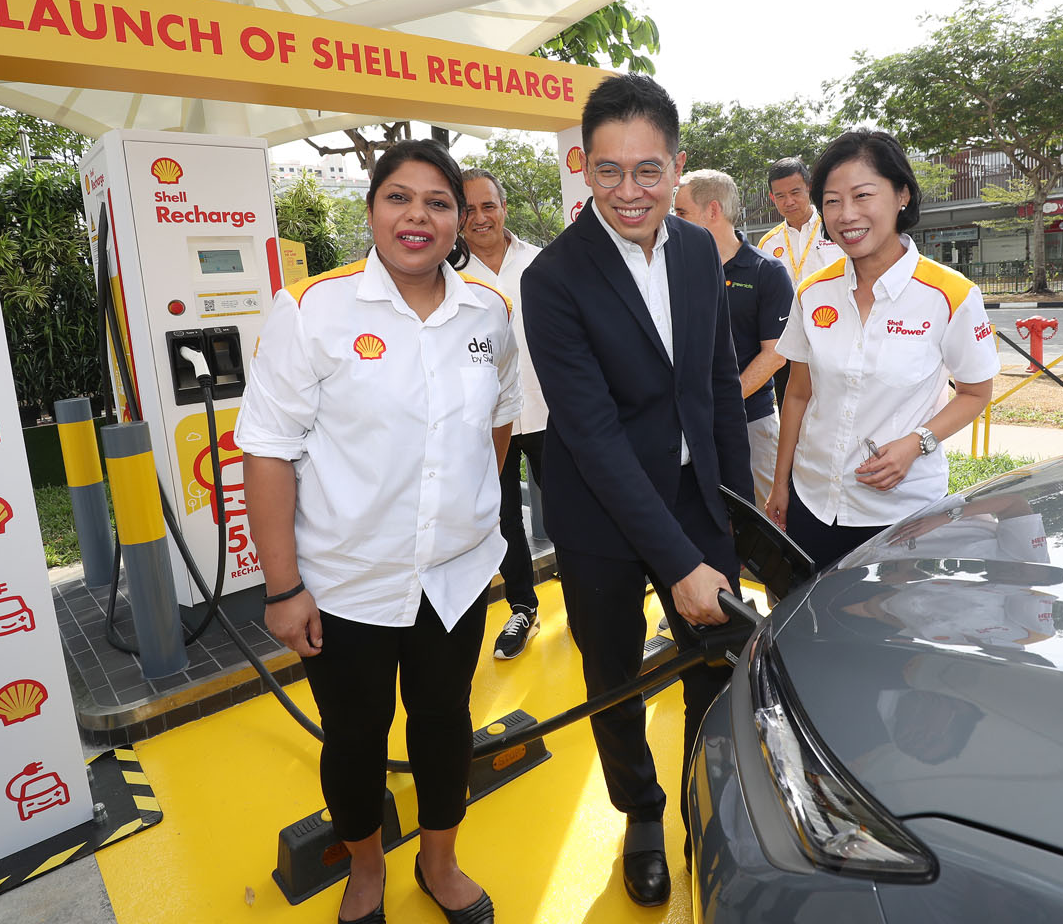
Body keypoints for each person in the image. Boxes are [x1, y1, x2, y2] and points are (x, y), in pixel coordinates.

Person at [236, 139, 519, 924]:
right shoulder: (312, 309)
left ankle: (439, 861)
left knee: (443, 721)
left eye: (438, 202)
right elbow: (267, 451)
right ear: (370, 209)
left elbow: (496, 428)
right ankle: (366, 870)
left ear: (460, 221)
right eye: (399, 197)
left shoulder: (488, 312)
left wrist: (464, 516)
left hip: (454, 578)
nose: (417, 216)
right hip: (345, 583)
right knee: (354, 738)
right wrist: (284, 587)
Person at [522, 73, 753, 908]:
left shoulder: (697, 250)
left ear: (677, 166)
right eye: (610, 170)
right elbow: (590, 434)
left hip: (698, 497)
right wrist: (677, 561)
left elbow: (717, 383)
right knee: (614, 676)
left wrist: (733, 509)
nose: (630, 191)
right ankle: (644, 814)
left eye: (648, 171)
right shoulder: (553, 278)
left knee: (714, 669)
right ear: (584, 168)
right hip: (602, 521)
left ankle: (705, 806)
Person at [766, 129, 998, 570]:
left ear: (902, 195)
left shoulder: (950, 295)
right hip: (812, 502)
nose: (846, 214)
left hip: (902, 516)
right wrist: (781, 486)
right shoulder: (813, 292)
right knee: (808, 629)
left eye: (862, 195)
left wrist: (917, 442)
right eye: (832, 200)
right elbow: (797, 393)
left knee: (892, 632)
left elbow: (975, 392)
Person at [458, 168, 549, 660]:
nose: (479, 217)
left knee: (574, 514)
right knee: (502, 517)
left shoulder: (542, 263)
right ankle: (523, 607)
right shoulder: (447, 276)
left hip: (549, 412)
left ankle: (586, 603)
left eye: (487, 206)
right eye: (467, 208)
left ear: (504, 207)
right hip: (486, 422)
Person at [673, 168, 794, 508]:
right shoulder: (674, 269)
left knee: (765, 524)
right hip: (688, 426)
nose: (672, 220)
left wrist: (722, 402)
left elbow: (775, 354)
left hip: (750, 421)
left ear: (712, 210)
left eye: (681, 212)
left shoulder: (765, 271)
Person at [755, 156, 840, 404]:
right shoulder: (768, 244)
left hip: (834, 338)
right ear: (772, 198)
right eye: (780, 196)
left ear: (810, 187)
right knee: (792, 408)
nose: (788, 201)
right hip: (788, 346)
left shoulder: (835, 229)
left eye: (795, 192)